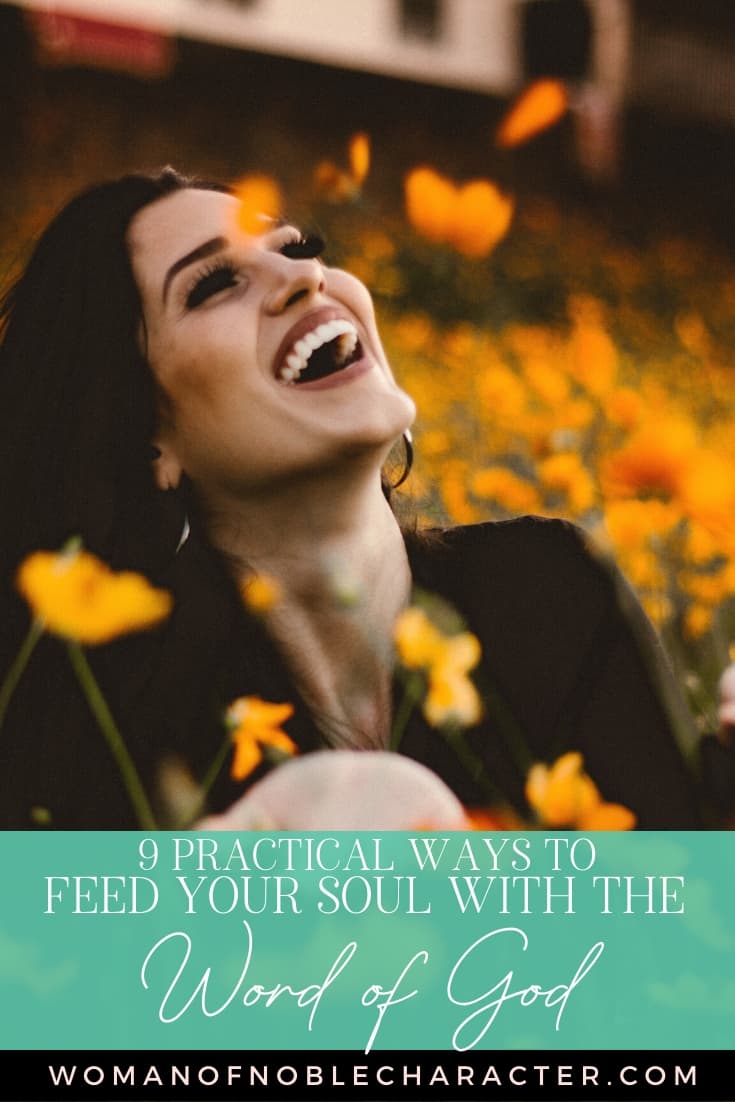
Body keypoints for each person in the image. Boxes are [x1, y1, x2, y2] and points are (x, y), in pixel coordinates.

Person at [0, 167, 723, 829]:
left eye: (295, 247)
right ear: (144, 441)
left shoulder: (550, 590)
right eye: (215, 284)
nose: (301, 277)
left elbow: (687, 928)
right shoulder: (135, 738)